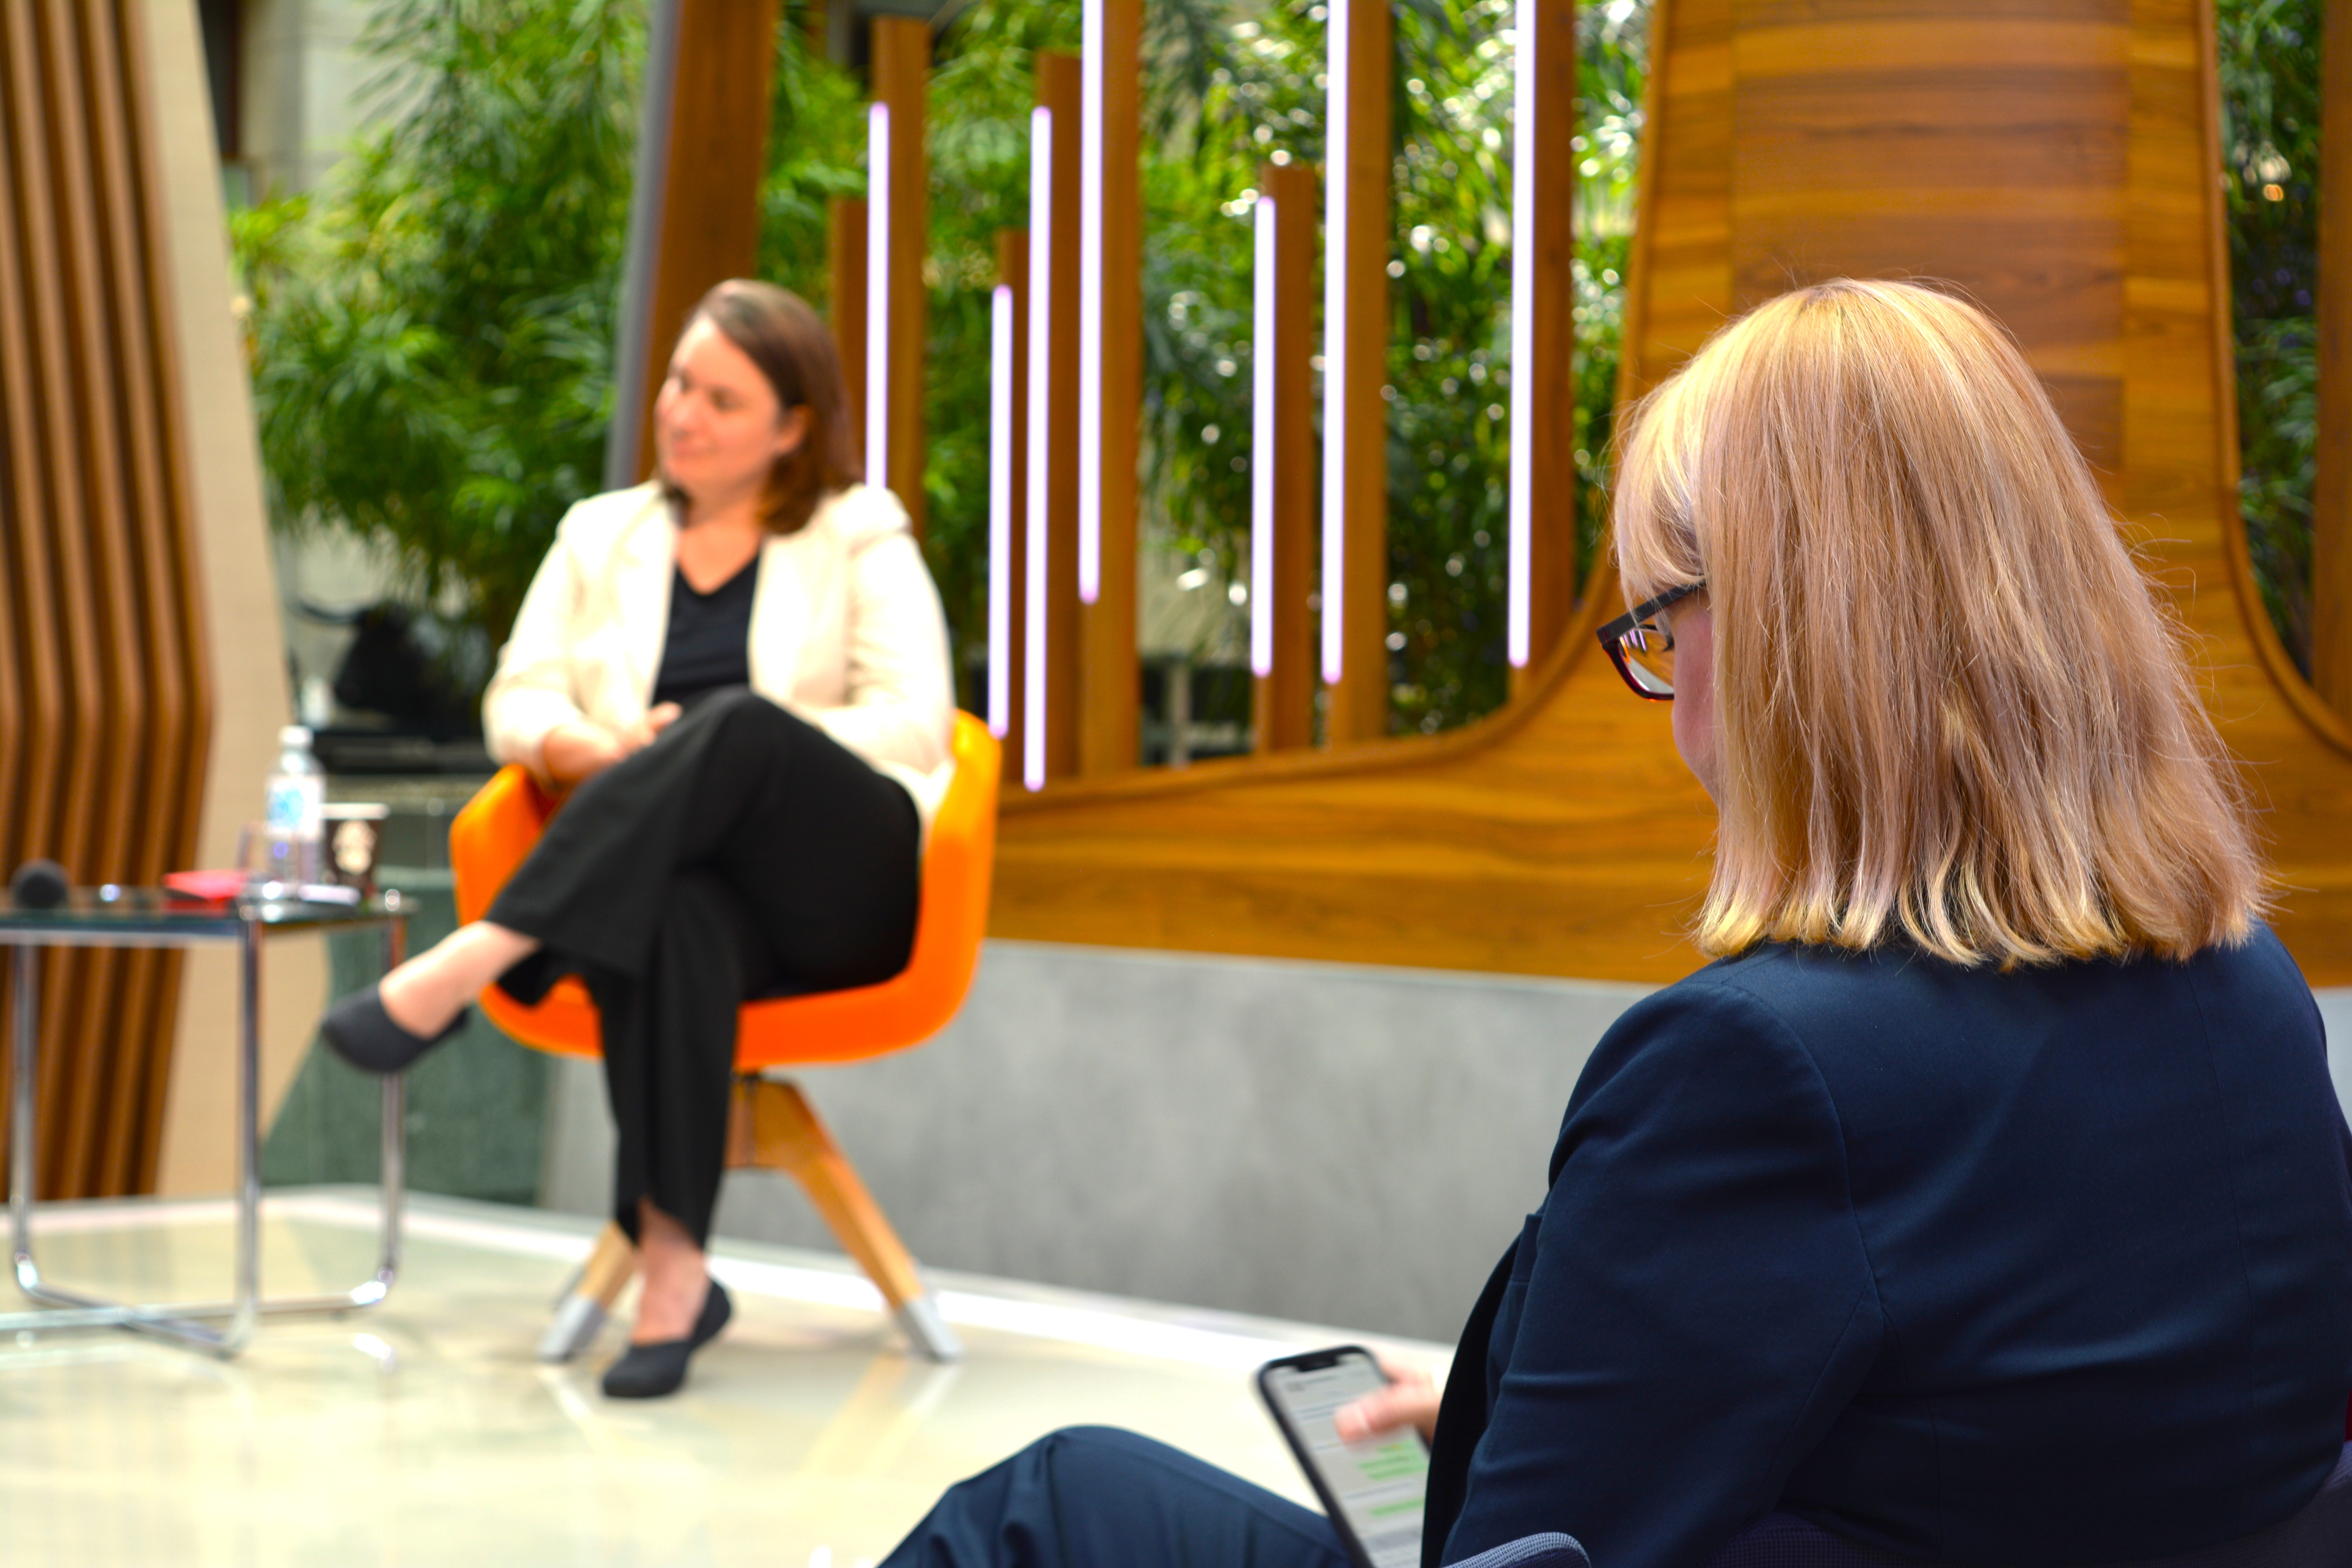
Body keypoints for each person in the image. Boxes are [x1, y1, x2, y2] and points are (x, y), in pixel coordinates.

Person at [876, 280, 2352, 1568]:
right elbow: (1988, 1419)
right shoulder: (2250, 994)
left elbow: (1525, 1548)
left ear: (1790, 634)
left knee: (1052, 1507)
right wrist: (1524, 1393)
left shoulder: (1764, 1073)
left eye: (1660, 625)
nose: (1670, 701)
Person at [320, 279, 955, 1400]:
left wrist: (729, 743)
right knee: (675, 915)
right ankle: (674, 1276)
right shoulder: (599, 535)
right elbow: (517, 699)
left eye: (721, 398)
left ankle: (480, 951)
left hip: (836, 884)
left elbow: (916, 724)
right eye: (677, 383)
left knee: (738, 727)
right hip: (682, 887)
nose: (682, 413)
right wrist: (596, 749)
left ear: (793, 428)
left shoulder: (859, 532)